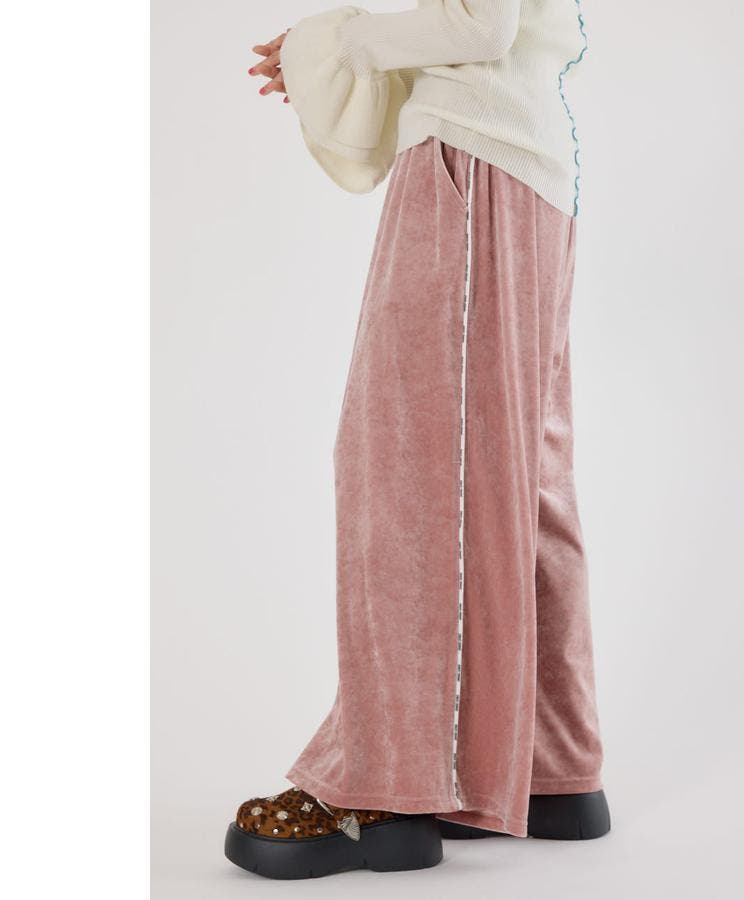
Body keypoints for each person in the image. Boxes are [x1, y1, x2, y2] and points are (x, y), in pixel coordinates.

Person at [224, 1, 609, 880]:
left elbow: (478, 25)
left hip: (472, 165)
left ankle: (387, 789)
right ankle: (547, 768)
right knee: (520, 475)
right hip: (522, 172)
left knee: (406, 471)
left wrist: (340, 40)